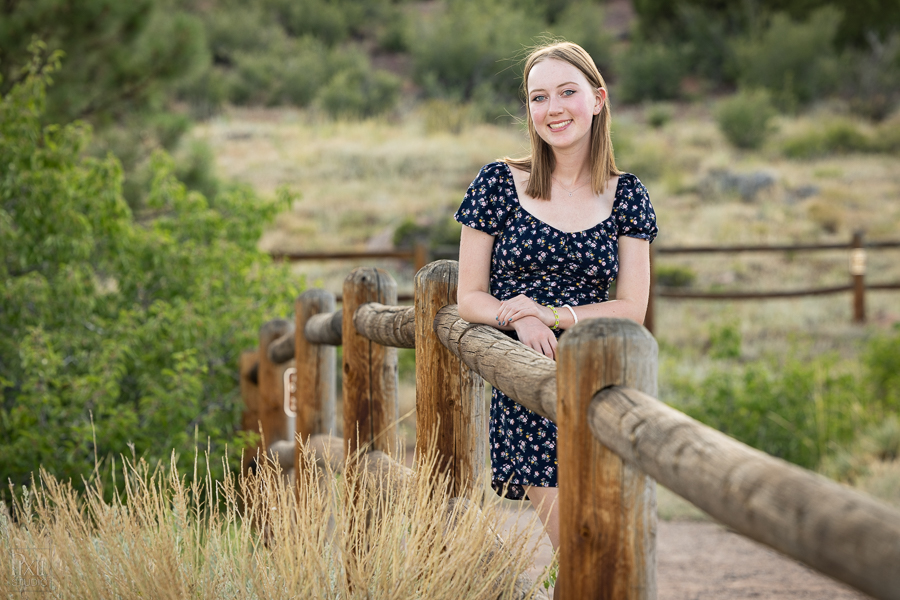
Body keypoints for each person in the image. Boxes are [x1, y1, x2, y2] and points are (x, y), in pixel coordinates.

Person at [454, 41, 658, 550]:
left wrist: (549, 312)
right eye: (538, 97)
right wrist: (517, 318)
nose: (553, 109)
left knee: (614, 550)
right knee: (581, 551)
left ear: (598, 98)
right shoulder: (498, 183)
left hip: (602, 377)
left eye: (568, 92)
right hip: (531, 387)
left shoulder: (627, 194)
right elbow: (469, 297)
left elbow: (632, 309)